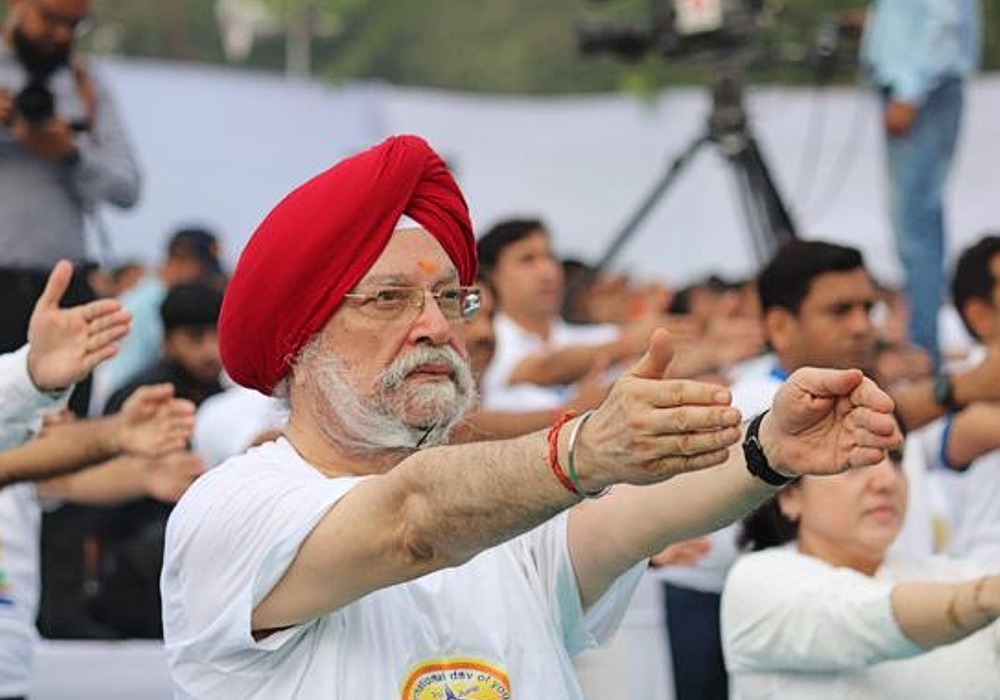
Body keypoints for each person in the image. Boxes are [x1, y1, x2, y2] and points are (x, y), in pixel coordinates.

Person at [160, 134, 901, 699]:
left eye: (450, 298)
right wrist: (583, 448)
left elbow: (638, 518)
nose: (436, 327)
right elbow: (410, 522)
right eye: (390, 300)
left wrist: (768, 446)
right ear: (300, 337)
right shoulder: (232, 509)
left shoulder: (506, 521)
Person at [0, 259, 196, 700]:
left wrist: (137, 466)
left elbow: (54, 477)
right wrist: (115, 438)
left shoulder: (19, 421)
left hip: (10, 664)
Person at [722, 423, 1000, 700]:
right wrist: (982, 598)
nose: (887, 480)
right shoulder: (757, 582)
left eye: (897, 458)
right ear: (789, 495)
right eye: (853, 460)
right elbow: (866, 617)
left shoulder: (955, 576)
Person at [0, 0, 141, 415]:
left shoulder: (86, 85)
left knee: (64, 432)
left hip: (62, 295)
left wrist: (71, 155)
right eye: (49, 18)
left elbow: (127, 187)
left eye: (73, 25)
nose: (60, 35)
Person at [859, 0, 981, 367]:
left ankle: (923, 355)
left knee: (917, 231)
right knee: (915, 229)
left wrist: (910, 91)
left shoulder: (915, 87)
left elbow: (943, 20)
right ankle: (923, 348)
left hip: (922, 90)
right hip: (919, 85)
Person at [91, 226, 224, 411]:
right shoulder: (143, 307)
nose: (204, 278)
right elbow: (120, 376)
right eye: (202, 269)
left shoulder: (162, 297)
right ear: (180, 261)